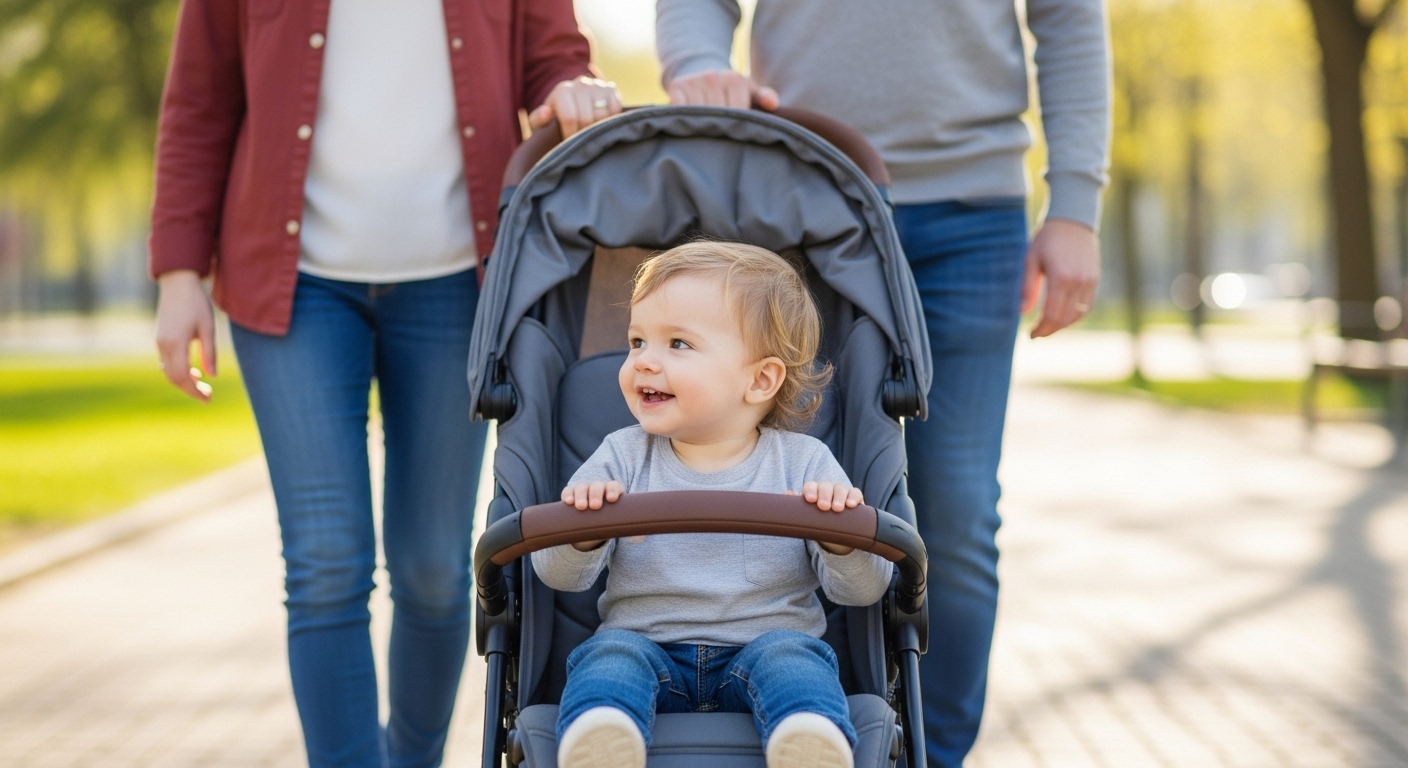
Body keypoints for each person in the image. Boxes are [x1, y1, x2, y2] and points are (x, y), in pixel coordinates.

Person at [148, 2, 622, 765]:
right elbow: (200, 101)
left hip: (458, 281)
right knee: (327, 560)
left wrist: (575, 85)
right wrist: (178, 272)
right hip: (292, 285)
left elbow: (554, 57)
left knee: (436, 572)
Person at [655, 3, 1111, 765]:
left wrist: (1077, 207)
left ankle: (939, 756)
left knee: (958, 514)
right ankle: (821, 731)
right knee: (802, 498)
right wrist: (694, 62)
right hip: (805, 195)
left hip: (971, 208)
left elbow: (1068, 18)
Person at [531, 242, 893, 768]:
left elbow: (864, 590)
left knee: (795, 660)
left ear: (760, 379)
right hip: (645, 646)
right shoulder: (620, 457)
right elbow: (557, 575)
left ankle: (810, 739)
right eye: (636, 342)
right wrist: (583, 528)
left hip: (766, 645)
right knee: (607, 658)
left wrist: (840, 537)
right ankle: (602, 737)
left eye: (677, 343)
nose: (644, 362)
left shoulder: (805, 464)